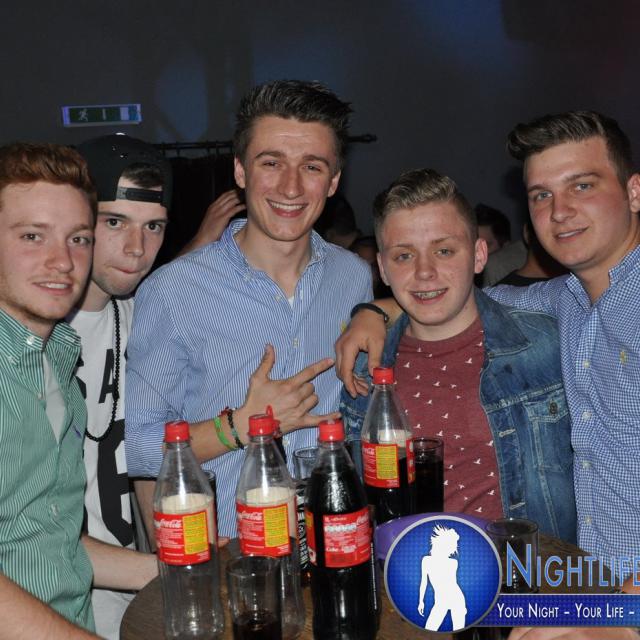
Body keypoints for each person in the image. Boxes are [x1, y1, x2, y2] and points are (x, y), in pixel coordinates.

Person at [335, 111, 640, 639]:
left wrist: (622, 620)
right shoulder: (562, 301)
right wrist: (372, 311)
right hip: (573, 591)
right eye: (541, 194)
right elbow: (448, 295)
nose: (560, 210)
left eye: (582, 185)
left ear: (634, 192)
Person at [125, 79, 372, 537]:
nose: (291, 187)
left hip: (337, 540)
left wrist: (381, 311)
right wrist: (239, 426)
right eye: (271, 163)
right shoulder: (172, 291)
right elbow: (138, 449)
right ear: (240, 171)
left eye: (312, 166)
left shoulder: (353, 277)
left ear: (334, 181)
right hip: (232, 555)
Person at [339, 168, 575, 541]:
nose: (424, 272)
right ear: (382, 268)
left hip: (527, 571)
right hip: (404, 570)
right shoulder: (365, 369)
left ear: (479, 255)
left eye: (444, 251)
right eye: (404, 256)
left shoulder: (545, 344)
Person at [0, 142, 156, 637]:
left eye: (78, 238)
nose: (62, 261)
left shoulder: (58, 362)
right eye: (32, 236)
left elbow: (51, 545)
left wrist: (175, 571)